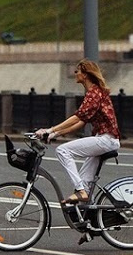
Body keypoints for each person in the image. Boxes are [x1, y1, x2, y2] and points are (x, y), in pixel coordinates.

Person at [38, 59, 120, 205]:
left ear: (86, 75)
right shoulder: (94, 92)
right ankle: (91, 218)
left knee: (63, 151)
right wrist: (55, 134)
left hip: (106, 140)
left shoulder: (94, 93)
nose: (75, 74)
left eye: (77, 71)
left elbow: (77, 117)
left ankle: (81, 191)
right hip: (105, 140)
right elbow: (81, 122)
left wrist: (49, 129)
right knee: (84, 181)